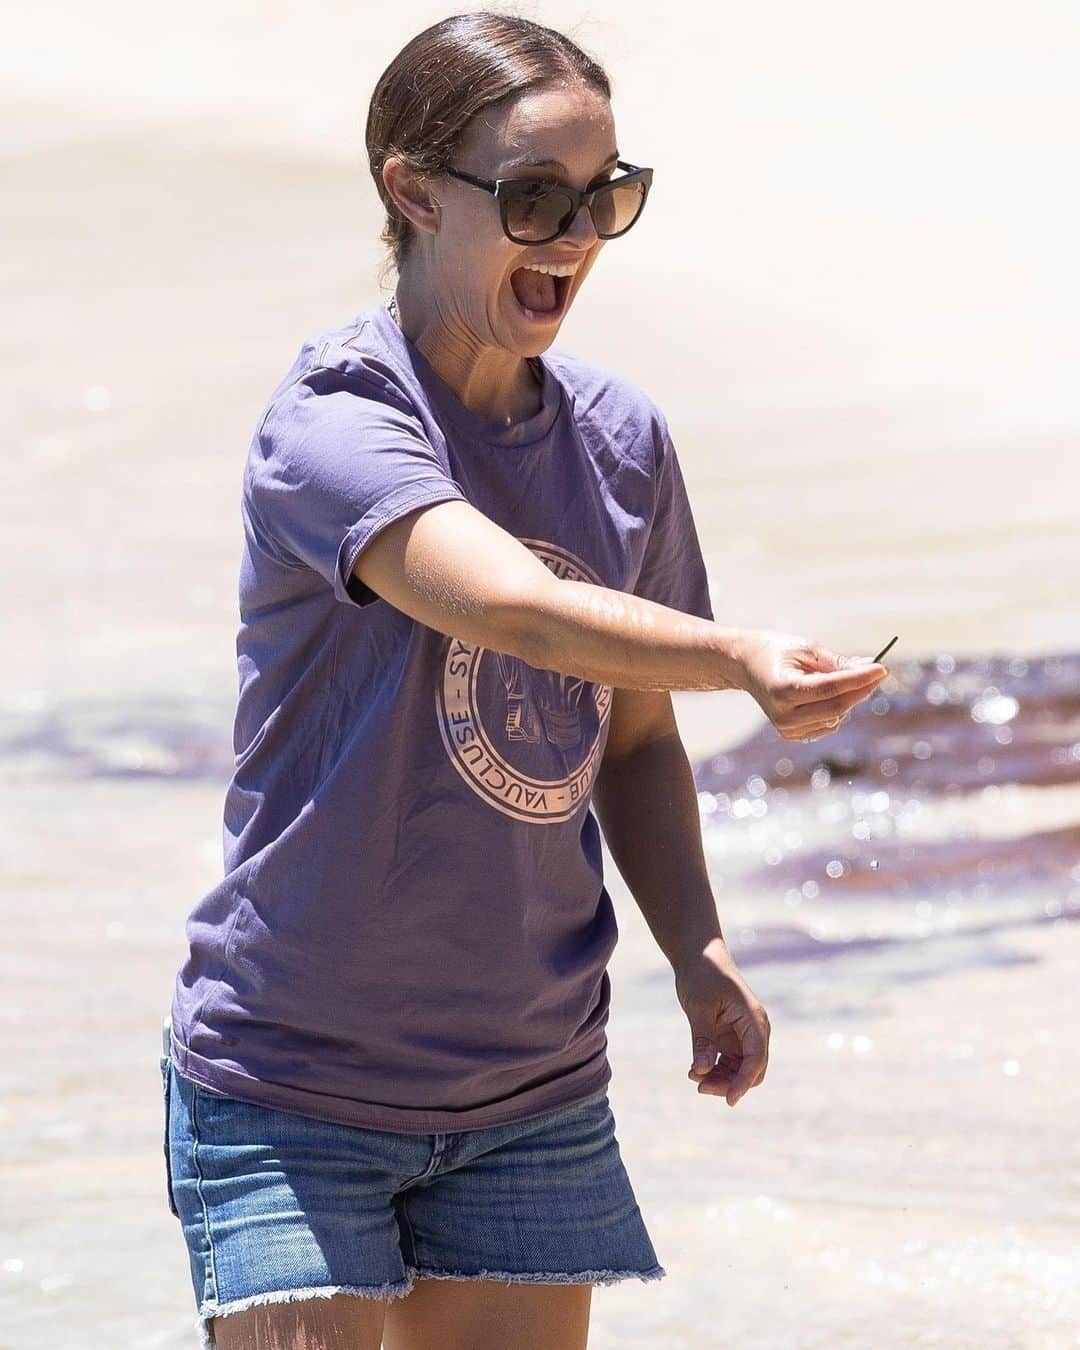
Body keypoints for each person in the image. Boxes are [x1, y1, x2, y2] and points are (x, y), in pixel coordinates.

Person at [159, 12, 889, 1350]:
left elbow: (634, 741)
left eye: (606, 197)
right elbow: (523, 613)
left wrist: (700, 951)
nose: (573, 239)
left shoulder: (620, 440)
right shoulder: (333, 422)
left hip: (532, 1085)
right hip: (296, 1081)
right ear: (414, 192)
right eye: (537, 197)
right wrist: (738, 653)